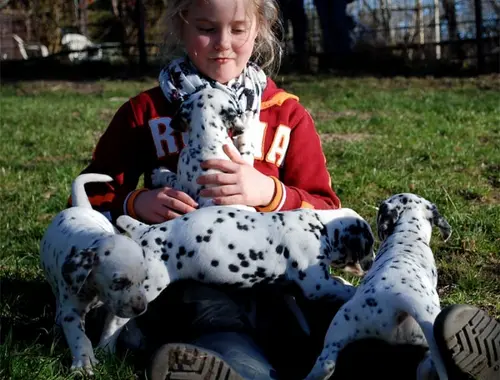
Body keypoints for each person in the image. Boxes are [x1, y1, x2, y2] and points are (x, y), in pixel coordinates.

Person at [71, 0, 500, 379]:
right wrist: (136, 201)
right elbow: (90, 204)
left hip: (281, 273)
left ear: (259, 30)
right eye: (206, 28)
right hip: (192, 275)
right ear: (180, 25)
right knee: (212, 319)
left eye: (238, 30)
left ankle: (425, 359)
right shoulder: (144, 113)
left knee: (327, 315)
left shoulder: (287, 115)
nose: (223, 42)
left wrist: (271, 194)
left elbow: (326, 208)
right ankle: (236, 370)